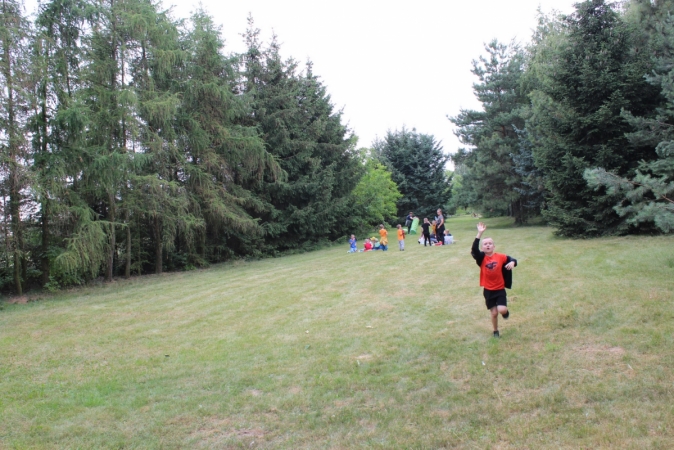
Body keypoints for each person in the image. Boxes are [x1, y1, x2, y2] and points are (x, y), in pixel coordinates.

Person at [471, 222, 517, 338]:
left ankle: (505, 312)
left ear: (494, 246)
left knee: (501, 309)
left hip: (499, 289)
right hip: (488, 290)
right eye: (485, 244)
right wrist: (479, 233)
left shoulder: (500, 256)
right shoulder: (481, 258)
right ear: (482, 248)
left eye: (490, 243)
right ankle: (495, 330)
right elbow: (474, 250)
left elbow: (512, 259)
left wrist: (512, 262)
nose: (488, 245)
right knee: (494, 313)